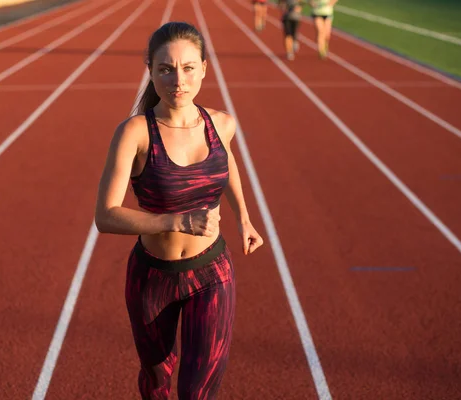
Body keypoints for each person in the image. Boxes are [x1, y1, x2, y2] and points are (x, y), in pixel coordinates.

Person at [94, 21, 263, 399]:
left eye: (188, 68)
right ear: (150, 71)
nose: (178, 81)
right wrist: (177, 221)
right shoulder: (135, 133)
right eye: (166, 69)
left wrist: (245, 218)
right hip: (152, 278)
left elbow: (228, 164)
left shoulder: (221, 124)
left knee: (198, 391)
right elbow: (105, 215)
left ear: (204, 67)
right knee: (156, 382)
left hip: (212, 272)